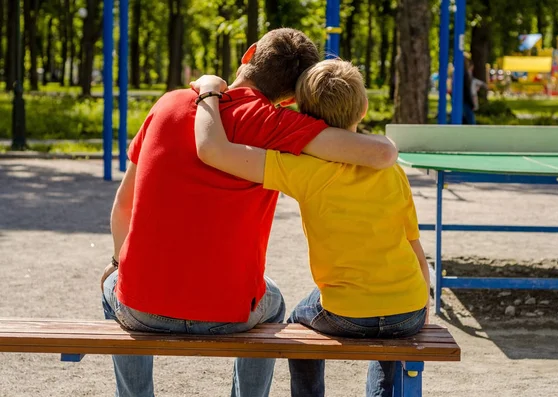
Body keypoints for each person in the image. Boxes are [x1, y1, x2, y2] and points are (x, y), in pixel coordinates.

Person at [100, 29, 398, 397]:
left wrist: (118, 262)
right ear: (291, 96)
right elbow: (381, 154)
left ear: (250, 53)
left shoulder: (168, 104)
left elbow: (122, 206)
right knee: (274, 304)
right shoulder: (276, 125)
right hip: (230, 314)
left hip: (142, 309)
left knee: (115, 283)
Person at [192, 59, 430, 397]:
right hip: (409, 307)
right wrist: (423, 306)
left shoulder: (302, 170)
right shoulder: (392, 171)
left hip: (345, 312)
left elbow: (217, 152)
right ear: (362, 109)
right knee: (390, 338)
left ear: (305, 115)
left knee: (297, 324)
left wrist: (210, 96)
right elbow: (414, 246)